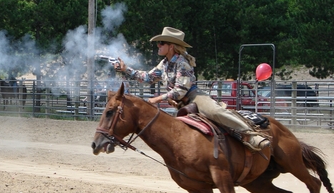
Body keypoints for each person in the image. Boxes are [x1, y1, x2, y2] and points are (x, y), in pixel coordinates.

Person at [114, 26, 271, 152]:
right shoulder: (165, 64)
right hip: (181, 104)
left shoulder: (183, 63)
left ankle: (252, 135)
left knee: (216, 112)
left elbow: (179, 91)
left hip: (194, 97)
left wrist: (157, 99)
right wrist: (125, 69)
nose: (158, 45)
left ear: (171, 46)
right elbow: (147, 77)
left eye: (161, 42)